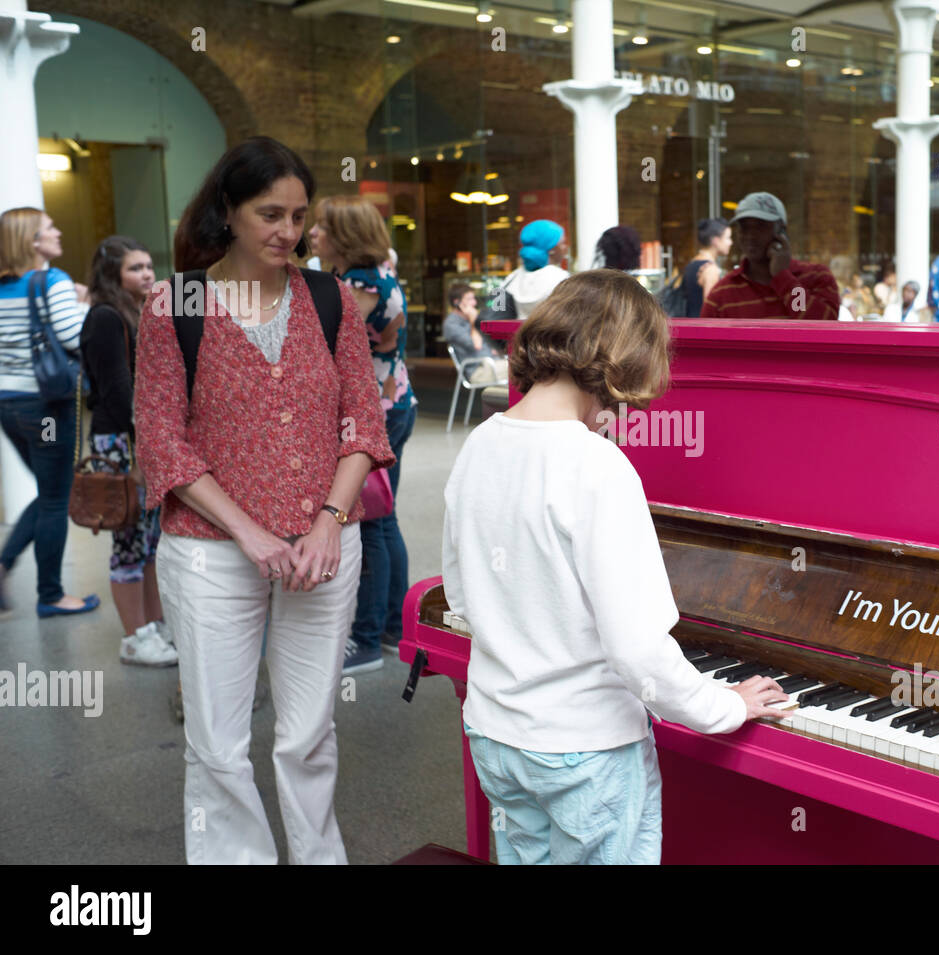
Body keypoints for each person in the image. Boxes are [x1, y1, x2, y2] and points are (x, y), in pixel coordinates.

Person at [443, 269, 792, 864]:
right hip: (586, 751)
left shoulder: (480, 443)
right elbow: (637, 651)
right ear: (623, 360)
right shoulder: (597, 466)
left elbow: (462, 597)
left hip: (496, 736)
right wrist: (725, 706)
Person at [135, 137, 394, 864]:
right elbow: (162, 440)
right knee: (217, 741)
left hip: (321, 546)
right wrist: (250, 534)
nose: (287, 232)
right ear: (228, 211)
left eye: (298, 216)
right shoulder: (177, 301)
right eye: (268, 214)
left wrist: (328, 523)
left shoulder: (328, 296)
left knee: (309, 732)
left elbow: (362, 423)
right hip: (212, 550)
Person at [308, 195, 418, 674]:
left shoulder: (358, 282)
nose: (311, 235)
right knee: (384, 517)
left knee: (370, 519)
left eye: (320, 227)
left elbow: (327, 342)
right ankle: (395, 628)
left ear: (344, 236)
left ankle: (368, 637)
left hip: (376, 411)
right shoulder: (377, 274)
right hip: (393, 405)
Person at [79, 236, 176, 665]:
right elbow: (118, 392)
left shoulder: (135, 312)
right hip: (120, 442)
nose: (148, 274)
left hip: (137, 440)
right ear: (112, 275)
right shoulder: (105, 317)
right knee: (128, 542)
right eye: (136, 268)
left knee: (150, 542)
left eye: (149, 266)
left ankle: (152, 626)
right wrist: (140, 452)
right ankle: (134, 637)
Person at [0, 207, 100, 618]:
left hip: (9, 407)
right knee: (57, 498)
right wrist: (84, 303)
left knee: (48, 490)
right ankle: (51, 595)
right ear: (33, 242)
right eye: (49, 228)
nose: (57, 232)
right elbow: (74, 338)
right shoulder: (52, 281)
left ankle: (4, 566)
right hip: (45, 410)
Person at [699, 192, 839, 321]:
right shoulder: (722, 293)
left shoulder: (816, 276)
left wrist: (783, 278)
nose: (751, 235)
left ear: (782, 232)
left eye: (760, 226)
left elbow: (821, 326)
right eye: (744, 227)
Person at [486, 219, 569, 321]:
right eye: (562, 243)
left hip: (516, 335)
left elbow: (496, 310)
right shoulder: (562, 279)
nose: (565, 247)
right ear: (551, 249)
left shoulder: (512, 278)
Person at [443, 282, 507, 384]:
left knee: (521, 364)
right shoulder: (451, 324)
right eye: (469, 299)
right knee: (520, 368)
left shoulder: (470, 319)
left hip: (493, 363)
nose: (474, 303)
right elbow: (477, 345)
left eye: (473, 298)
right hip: (478, 371)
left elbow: (494, 344)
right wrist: (473, 321)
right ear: (457, 303)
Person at [680, 218, 731, 317]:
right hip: (701, 329)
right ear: (716, 241)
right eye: (728, 238)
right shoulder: (710, 269)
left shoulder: (692, 263)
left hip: (689, 326)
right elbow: (710, 311)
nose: (731, 242)